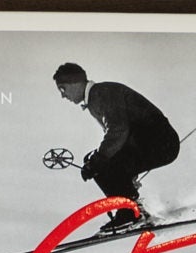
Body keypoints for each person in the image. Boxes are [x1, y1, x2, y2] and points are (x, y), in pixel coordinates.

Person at [53, 62, 180, 232]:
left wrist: (99, 160)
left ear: (74, 83)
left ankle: (130, 212)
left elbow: (118, 129)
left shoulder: (101, 93)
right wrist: (124, 175)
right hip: (156, 141)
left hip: (159, 141)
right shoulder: (98, 97)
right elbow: (120, 136)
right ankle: (133, 211)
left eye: (63, 89)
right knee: (98, 161)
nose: (63, 96)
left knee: (98, 162)